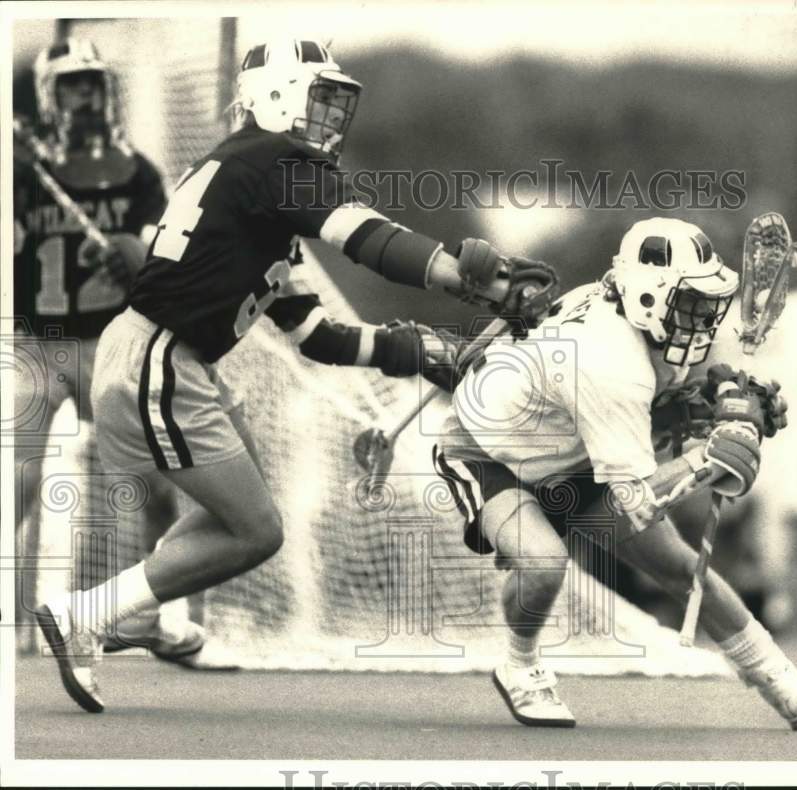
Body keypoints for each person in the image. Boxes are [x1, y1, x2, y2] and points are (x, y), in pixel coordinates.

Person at [34, 37, 558, 713]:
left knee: (233, 509)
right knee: (256, 532)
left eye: (337, 106)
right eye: (319, 100)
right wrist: (464, 275)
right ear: (276, 96)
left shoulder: (252, 181)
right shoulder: (274, 158)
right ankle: (92, 613)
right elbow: (367, 237)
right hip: (160, 358)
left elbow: (318, 335)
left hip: (170, 359)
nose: (329, 120)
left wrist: (419, 350)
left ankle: (132, 610)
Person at [434, 217, 797, 731]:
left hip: (573, 451)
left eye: (707, 303)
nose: (703, 316)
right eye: (691, 303)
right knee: (543, 564)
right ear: (649, 296)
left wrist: (724, 401)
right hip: (489, 452)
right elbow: (635, 496)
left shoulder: (635, 317)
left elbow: (654, 402)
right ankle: (519, 666)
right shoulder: (608, 360)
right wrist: (708, 455)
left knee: (682, 568)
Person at [13, 38, 202, 663]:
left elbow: (160, 256)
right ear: (49, 94)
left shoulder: (137, 171)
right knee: (17, 479)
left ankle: (148, 616)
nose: (86, 97)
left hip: (109, 341)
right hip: (35, 345)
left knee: (151, 484)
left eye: (93, 83)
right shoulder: (22, 167)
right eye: (72, 85)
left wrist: (130, 257)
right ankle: (15, 623)